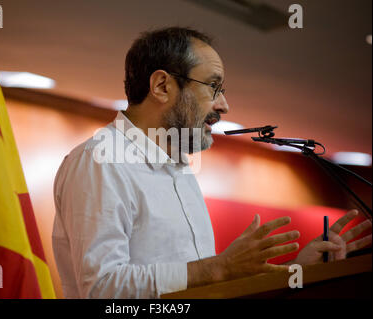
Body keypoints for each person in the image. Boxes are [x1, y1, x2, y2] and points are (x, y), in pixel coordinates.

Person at [52, 27, 372, 299]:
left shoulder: (179, 168)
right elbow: (103, 290)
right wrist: (218, 267)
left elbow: (202, 288)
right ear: (162, 86)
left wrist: (297, 272)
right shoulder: (100, 161)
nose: (225, 105)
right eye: (213, 87)